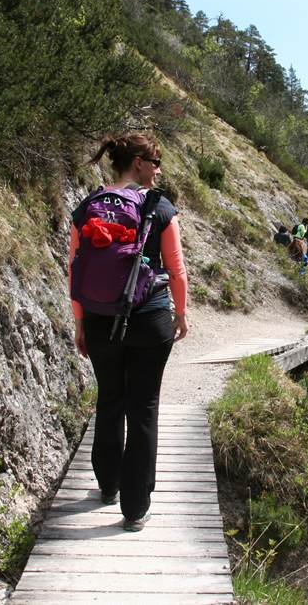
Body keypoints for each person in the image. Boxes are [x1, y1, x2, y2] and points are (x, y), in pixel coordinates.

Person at [68, 133, 188, 532]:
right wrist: (182, 313)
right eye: (155, 160)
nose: (158, 168)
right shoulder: (159, 206)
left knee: (110, 398)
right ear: (137, 162)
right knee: (143, 408)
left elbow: (75, 270)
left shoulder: (88, 207)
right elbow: (176, 267)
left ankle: (107, 485)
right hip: (150, 317)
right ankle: (135, 509)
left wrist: (80, 323)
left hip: (102, 318)